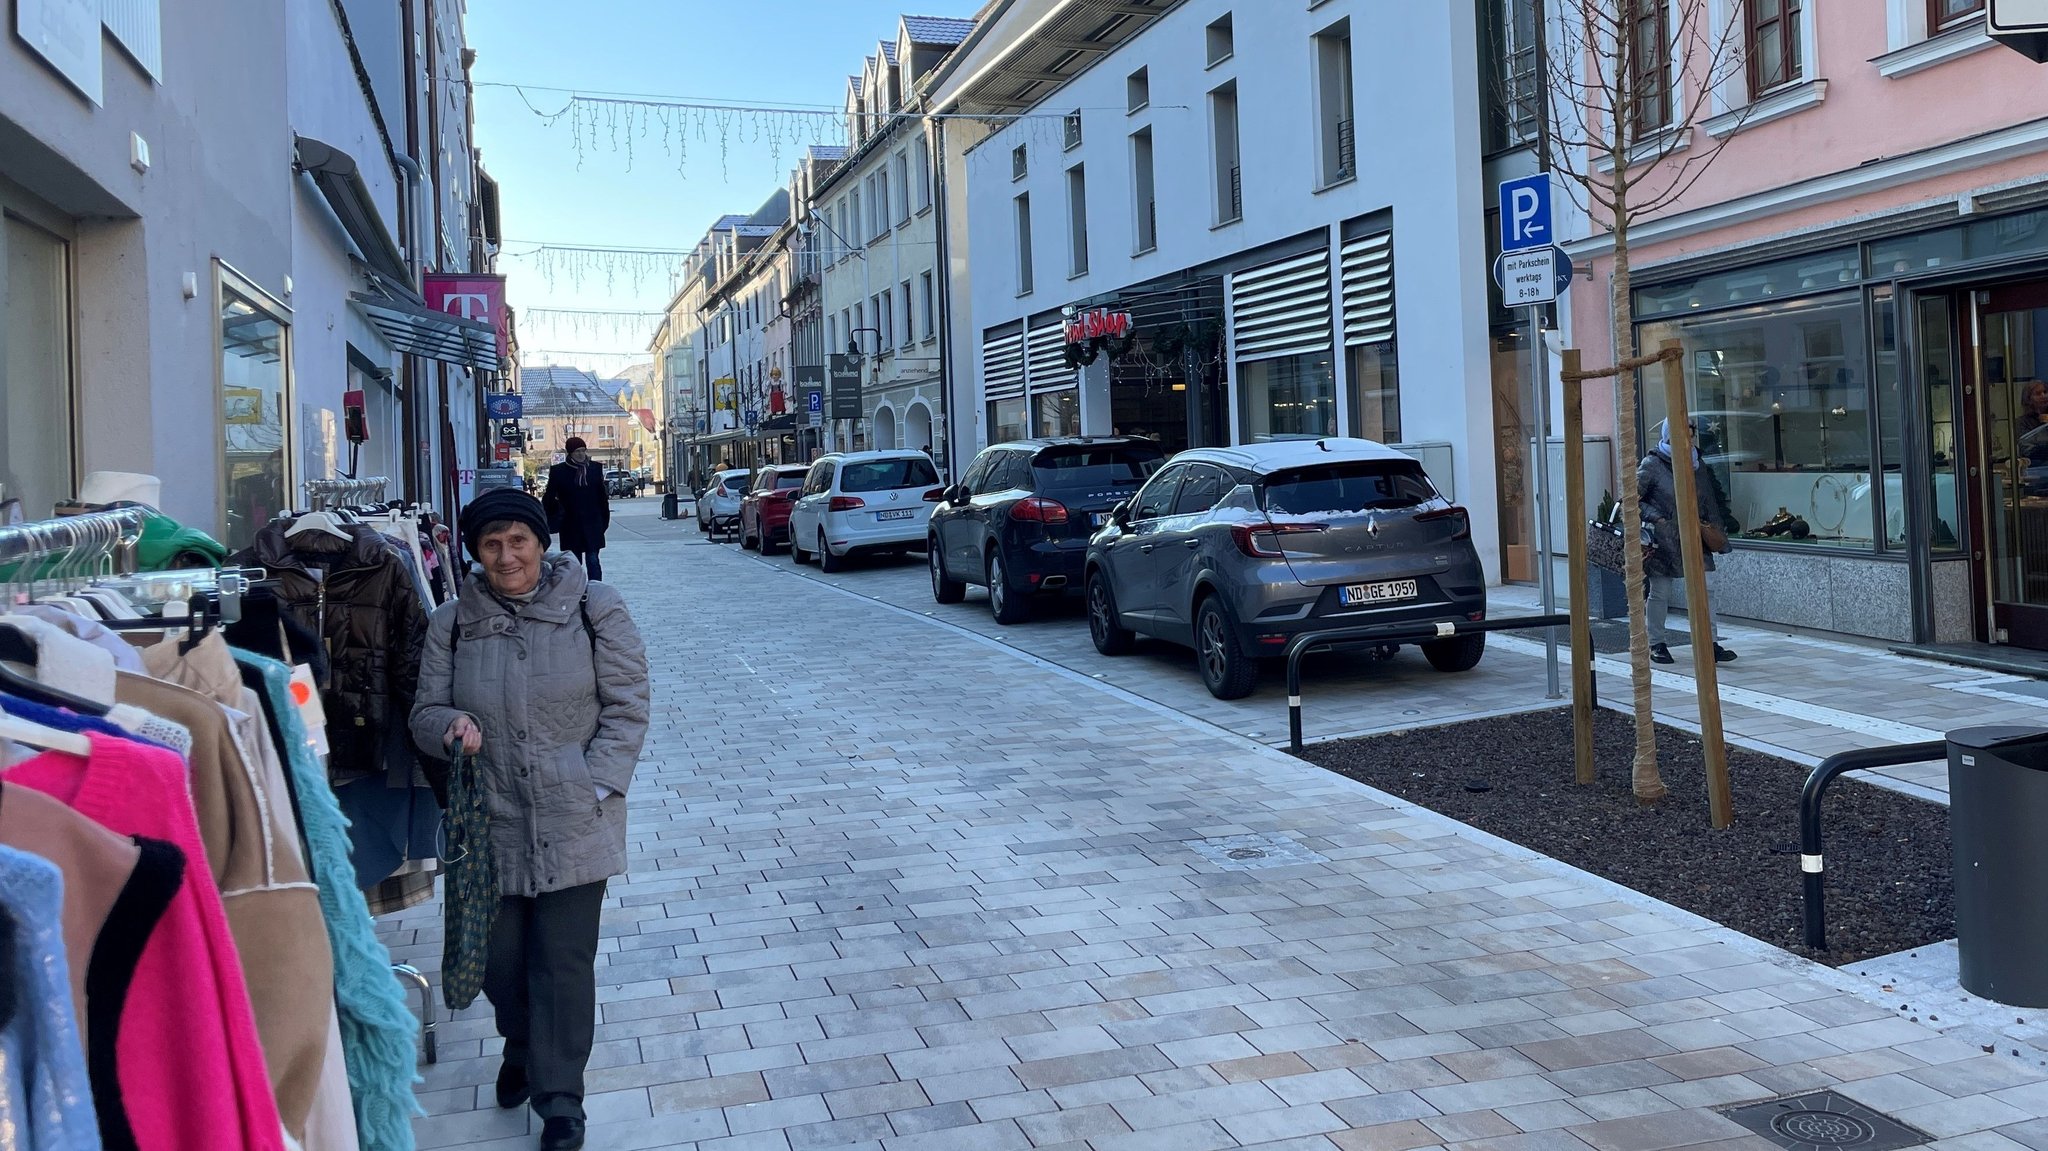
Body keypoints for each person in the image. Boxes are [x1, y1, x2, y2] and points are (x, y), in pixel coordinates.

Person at [410, 488, 650, 1151]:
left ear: (541, 542)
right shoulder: (452, 624)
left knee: (563, 964)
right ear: (475, 552)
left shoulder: (594, 607)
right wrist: (449, 726)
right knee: (498, 961)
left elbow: (627, 703)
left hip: (576, 817)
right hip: (490, 822)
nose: (507, 555)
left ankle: (560, 1101)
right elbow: (422, 712)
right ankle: (520, 1040)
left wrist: (595, 781)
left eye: (519, 540)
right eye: (492, 544)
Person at [1639, 418, 1739, 666]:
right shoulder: (1652, 464)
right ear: (1668, 437)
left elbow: (1709, 499)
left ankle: (1709, 642)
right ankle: (1657, 643)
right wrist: (1659, 518)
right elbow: (1633, 499)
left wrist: (1719, 526)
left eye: (1691, 435)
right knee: (1660, 591)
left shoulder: (1697, 464)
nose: (1689, 439)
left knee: (1707, 589)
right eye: (1683, 434)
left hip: (1697, 535)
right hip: (1664, 539)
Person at [542, 437, 610, 580]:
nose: (581, 454)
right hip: (570, 524)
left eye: (583, 451)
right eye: (577, 451)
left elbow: (602, 498)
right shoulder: (559, 471)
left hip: (592, 523)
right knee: (574, 563)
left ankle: (595, 591)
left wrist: (604, 520)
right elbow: (548, 498)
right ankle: (576, 590)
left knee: (593, 560)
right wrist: (556, 515)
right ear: (570, 453)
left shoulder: (595, 469)